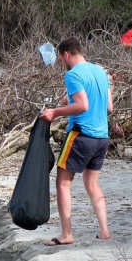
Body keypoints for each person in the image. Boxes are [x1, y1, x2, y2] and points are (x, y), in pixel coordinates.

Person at [39, 37, 114, 246]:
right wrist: (66, 103)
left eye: (62, 59)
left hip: (81, 136)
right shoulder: (100, 72)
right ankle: (104, 231)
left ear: (65, 55)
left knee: (62, 183)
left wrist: (55, 112)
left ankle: (66, 234)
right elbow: (109, 108)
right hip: (101, 137)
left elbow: (82, 106)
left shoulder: (72, 74)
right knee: (92, 184)